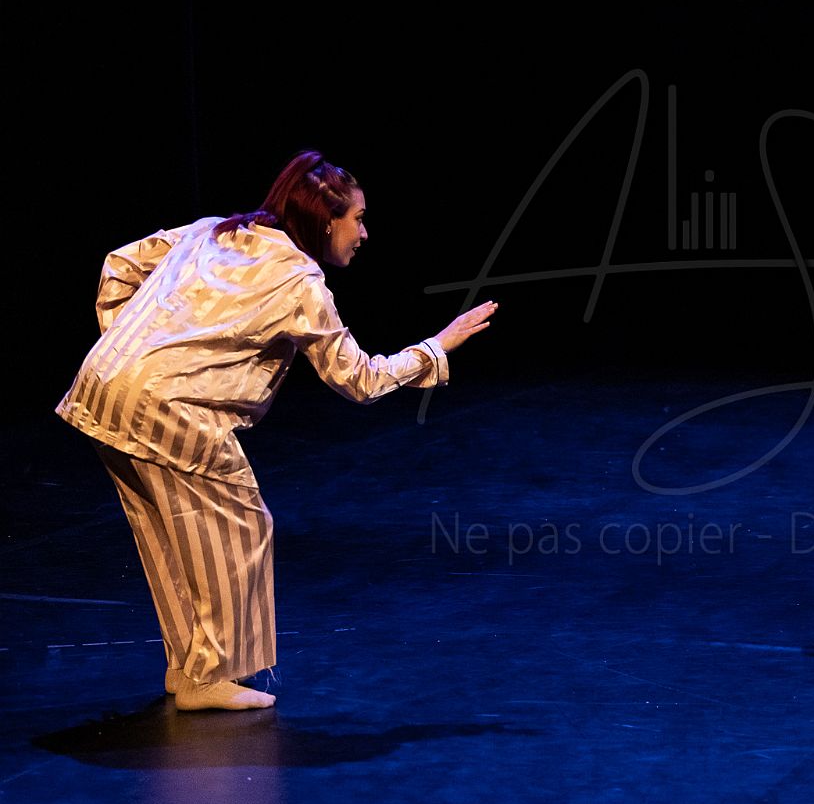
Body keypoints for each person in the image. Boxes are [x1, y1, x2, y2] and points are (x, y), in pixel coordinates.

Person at [55, 151, 497, 710]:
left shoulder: (214, 231)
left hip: (103, 387)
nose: (364, 233)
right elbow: (358, 379)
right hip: (169, 407)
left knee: (168, 528)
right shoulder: (300, 280)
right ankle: (205, 677)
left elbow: (119, 264)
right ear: (326, 221)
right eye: (358, 219)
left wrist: (127, 349)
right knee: (241, 525)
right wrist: (436, 347)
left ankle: (188, 669)